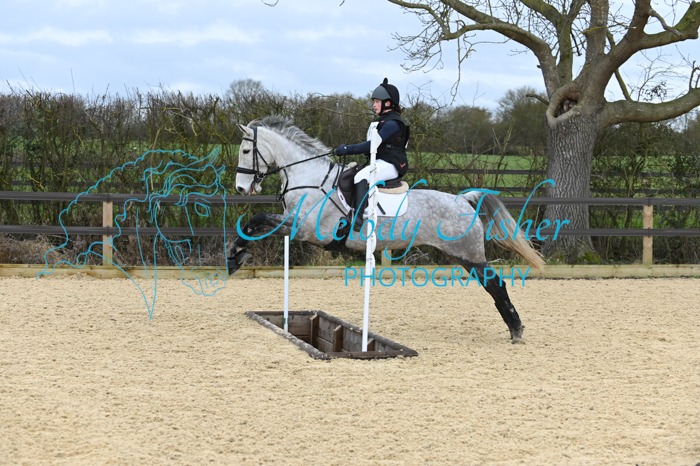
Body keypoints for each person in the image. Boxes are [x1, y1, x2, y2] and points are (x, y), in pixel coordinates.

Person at [335, 78, 410, 231]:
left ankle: (357, 219)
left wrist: (347, 149)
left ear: (387, 103)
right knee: (356, 172)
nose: (374, 105)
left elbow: (371, 145)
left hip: (393, 164)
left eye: (376, 101)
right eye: (374, 102)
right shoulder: (383, 122)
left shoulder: (393, 124)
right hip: (382, 161)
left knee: (361, 176)